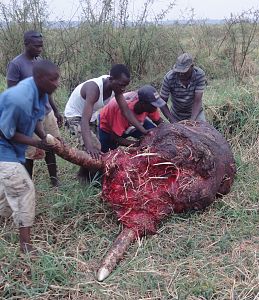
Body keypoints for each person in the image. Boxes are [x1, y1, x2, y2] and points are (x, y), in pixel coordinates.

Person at [0, 60, 59, 253]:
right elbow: (6, 132)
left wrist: (45, 139)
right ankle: (25, 245)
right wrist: (36, 143)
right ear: (40, 78)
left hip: (13, 150)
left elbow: (35, 120)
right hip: (3, 149)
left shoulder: (41, 93)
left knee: (7, 193)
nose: (57, 84)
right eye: (53, 80)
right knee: (24, 190)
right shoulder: (19, 99)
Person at [64, 64, 150, 182]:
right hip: (75, 116)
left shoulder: (116, 87)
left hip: (91, 116)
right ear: (111, 79)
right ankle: (95, 182)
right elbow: (84, 120)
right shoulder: (94, 89)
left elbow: (126, 111)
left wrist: (143, 131)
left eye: (125, 86)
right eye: (121, 85)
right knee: (93, 148)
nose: (123, 89)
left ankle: (82, 175)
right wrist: (89, 146)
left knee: (95, 148)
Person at [6, 30, 63, 187]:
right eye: (36, 46)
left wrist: (56, 110)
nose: (39, 49)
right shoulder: (16, 64)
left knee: (51, 145)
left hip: (46, 112)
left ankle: (54, 180)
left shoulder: (40, 63)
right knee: (30, 152)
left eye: (41, 46)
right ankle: (27, 184)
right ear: (26, 44)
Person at [99, 85, 165, 152]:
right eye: (154, 105)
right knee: (107, 153)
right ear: (143, 104)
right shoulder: (122, 110)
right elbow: (116, 138)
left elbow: (159, 121)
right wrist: (139, 144)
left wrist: (168, 130)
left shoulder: (150, 106)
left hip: (134, 122)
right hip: (109, 127)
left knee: (154, 137)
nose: (156, 108)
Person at [160, 52, 207, 123]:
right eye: (179, 71)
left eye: (184, 71)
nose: (181, 74)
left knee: (202, 131)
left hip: (195, 113)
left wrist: (192, 121)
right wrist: (173, 121)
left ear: (192, 66)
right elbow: (162, 102)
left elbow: (197, 101)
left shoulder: (199, 75)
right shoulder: (169, 77)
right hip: (176, 114)